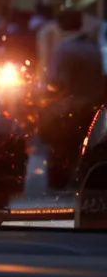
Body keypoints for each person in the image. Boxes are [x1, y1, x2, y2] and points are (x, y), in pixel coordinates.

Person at [43, 10, 105, 191]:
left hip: (69, 111)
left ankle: (60, 189)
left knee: (62, 152)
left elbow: (55, 84)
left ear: (61, 27)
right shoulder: (93, 48)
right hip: (92, 110)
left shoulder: (65, 49)